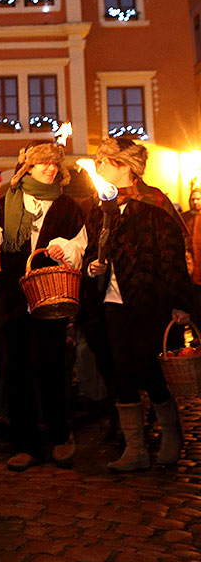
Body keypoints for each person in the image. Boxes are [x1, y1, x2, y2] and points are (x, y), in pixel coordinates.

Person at [83, 137, 192, 470]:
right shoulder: (102, 204)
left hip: (149, 301)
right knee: (121, 372)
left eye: (102, 160)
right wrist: (93, 266)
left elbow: (172, 257)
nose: (97, 166)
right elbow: (91, 248)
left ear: (122, 165)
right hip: (113, 302)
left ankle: (172, 433)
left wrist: (180, 303)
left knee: (148, 369)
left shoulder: (154, 203)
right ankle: (136, 450)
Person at [0, 140, 87, 472]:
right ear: (27, 166)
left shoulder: (69, 207)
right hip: (13, 300)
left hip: (51, 298)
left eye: (55, 164)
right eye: (44, 163)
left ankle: (60, 436)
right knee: (16, 370)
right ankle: (25, 444)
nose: (50, 168)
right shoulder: (2, 203)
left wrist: (65, 250)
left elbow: (81, 246)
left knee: (52, 366)